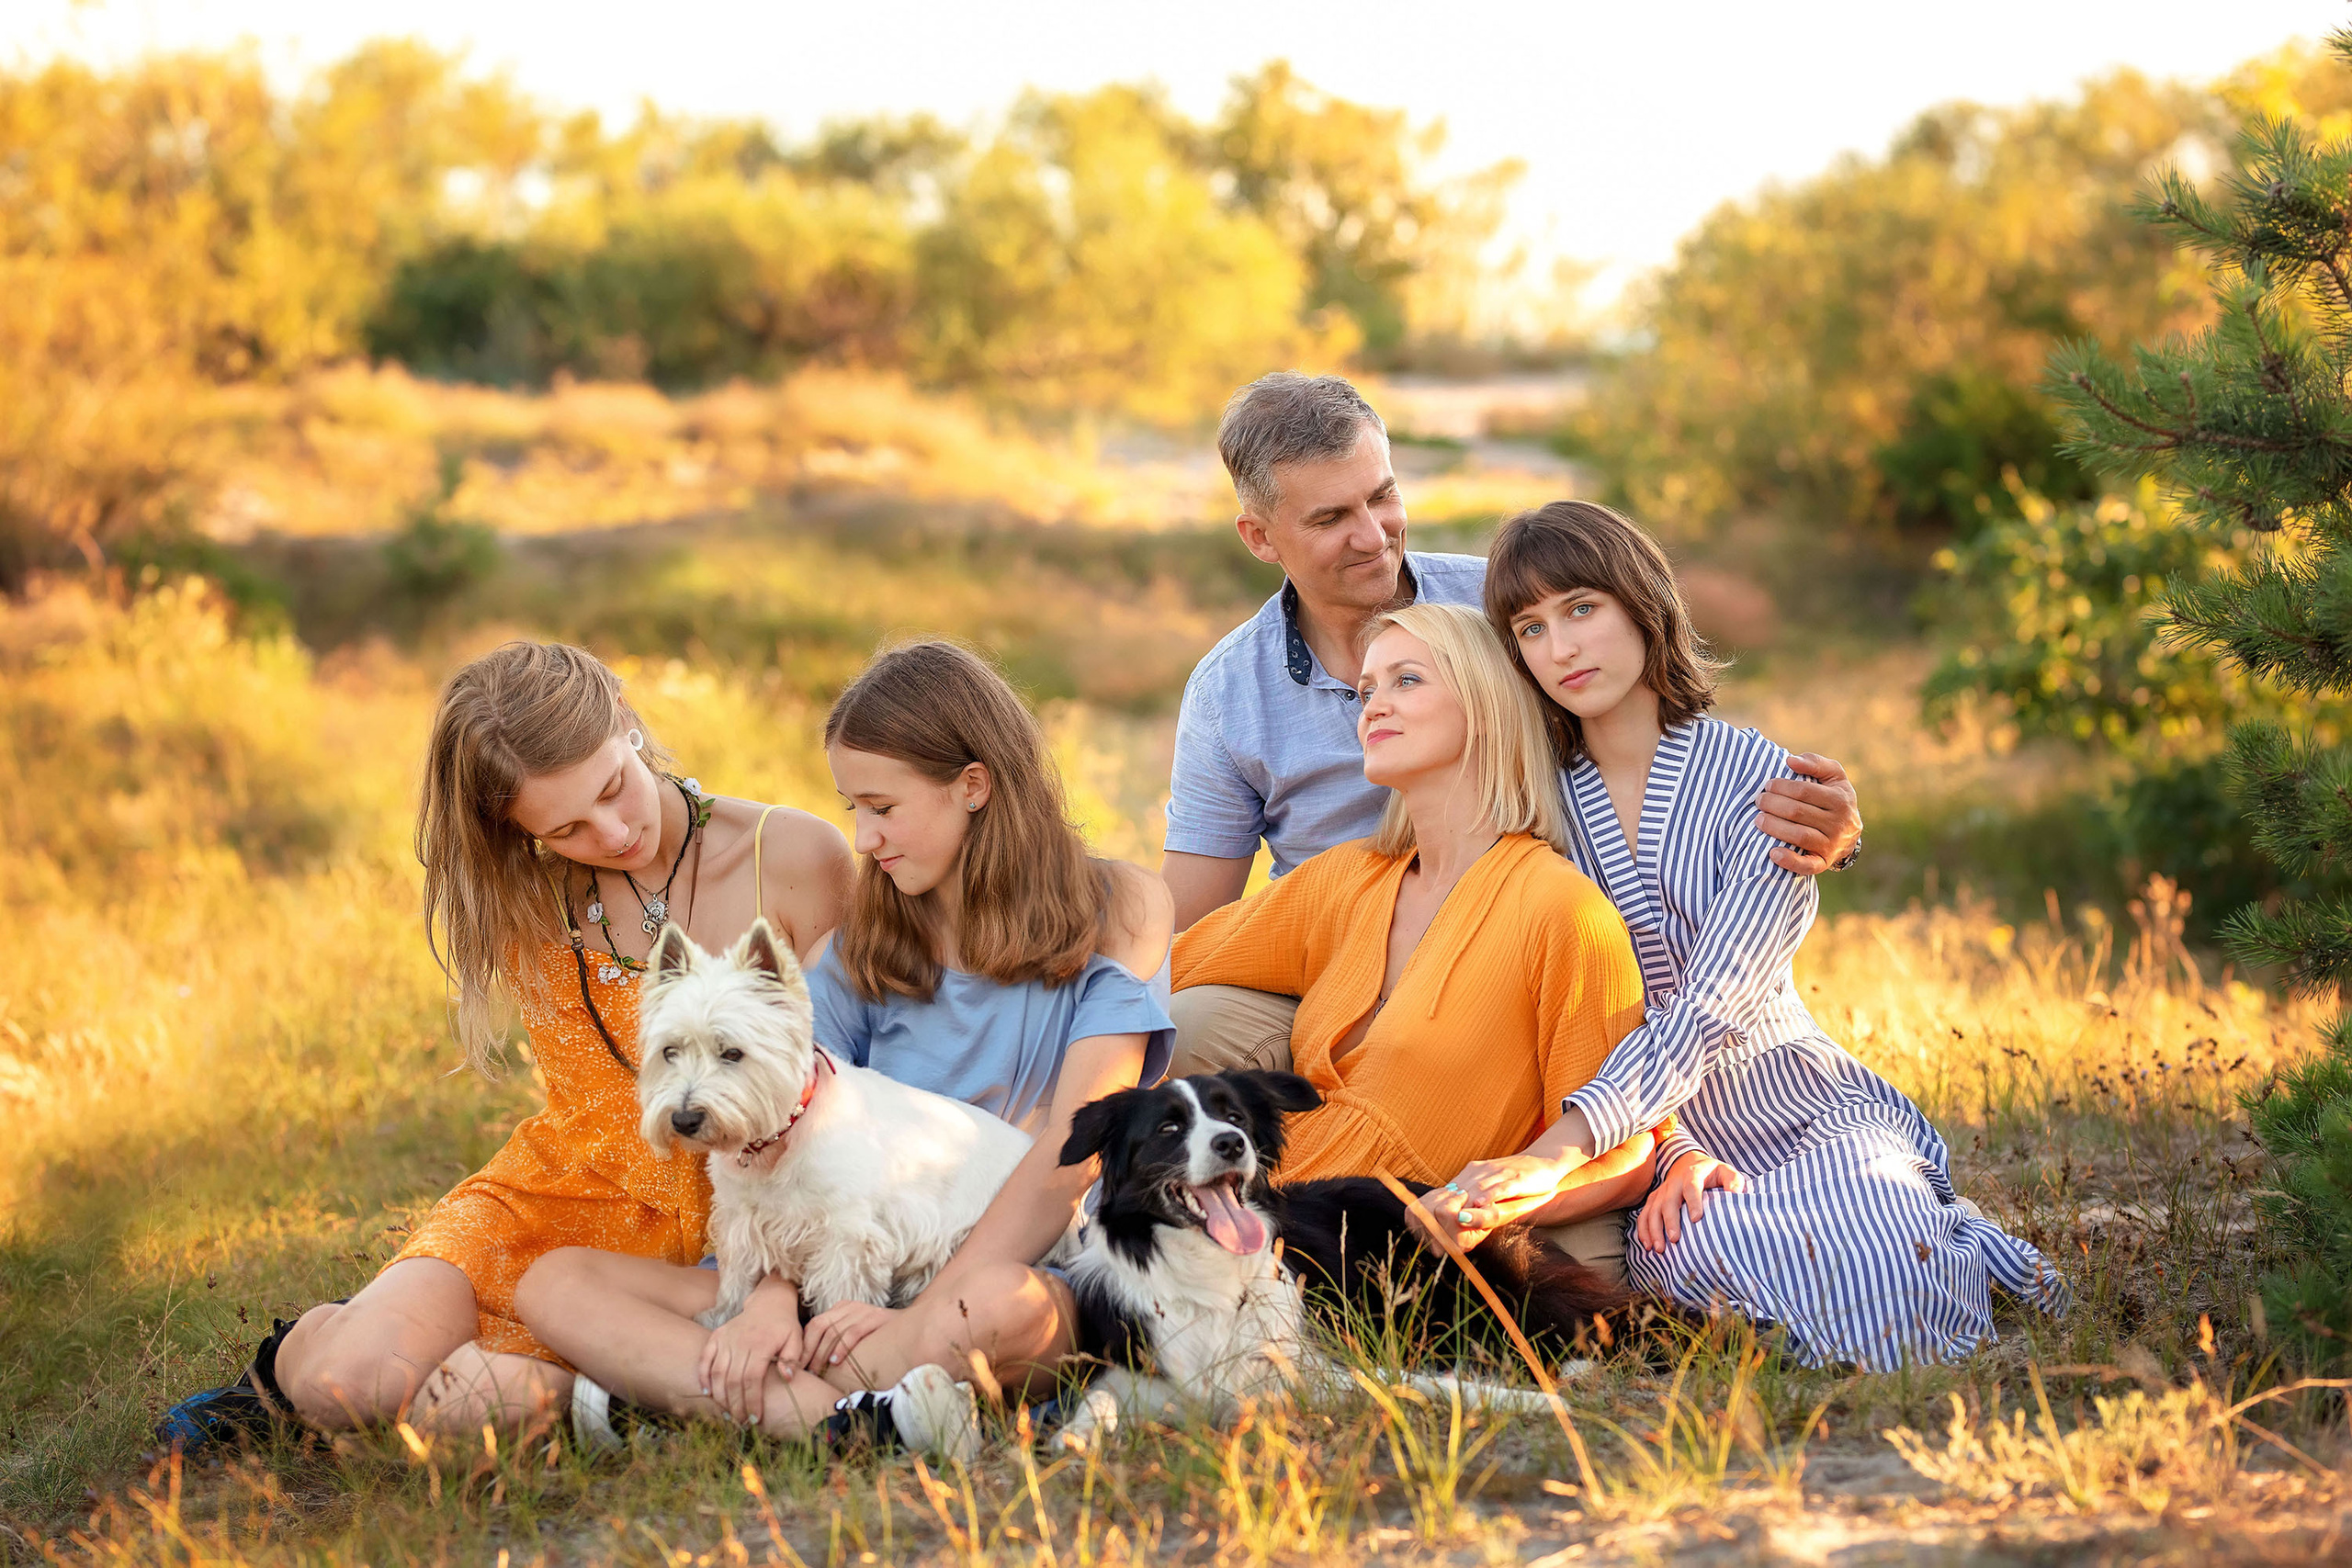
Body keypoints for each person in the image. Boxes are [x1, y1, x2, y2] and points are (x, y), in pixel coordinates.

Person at [157, 642, 852, 1450]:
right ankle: (293, 1370)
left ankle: (578, 1391)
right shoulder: (528, 895)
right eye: (566, 828)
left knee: (460, 1416)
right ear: (518, 831)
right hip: (555, 1197)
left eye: (613, 787)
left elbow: (849, 1092)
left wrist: (779, 1280)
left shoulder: (795, 857)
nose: (616, 830)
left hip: (725, 1232)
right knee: (347, 1381)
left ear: (625, 719)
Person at [514, 641, 1173, 1453]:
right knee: (556, 1282)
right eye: (850, 807)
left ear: (974, 785)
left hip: (1000, 1256)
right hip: (830, 1258)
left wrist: (925, 1312)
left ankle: (685, 1397)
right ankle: (844, 1418)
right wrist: (771, 1304)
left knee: (1004, 1312)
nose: (860, 838)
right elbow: (783, 1125)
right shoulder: (866, 941)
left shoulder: (1119, 906)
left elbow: (1073, 1154)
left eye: (881, 808)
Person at [1484, 500, 2068, 1368]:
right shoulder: (1538, 806)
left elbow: (1716, 1003)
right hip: (1659, 1142)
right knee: (1712, 1252)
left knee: (1882, 1242)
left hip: (1800, 1105)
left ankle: (1940, 1247)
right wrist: (1663, 1148)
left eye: (1581, 608)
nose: (1560, 648)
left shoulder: (1763, 781)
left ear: (1641, 603)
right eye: (1530, 628)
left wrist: (1561, 1145)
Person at [1160, 371, 1864, 939]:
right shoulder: (1229, 690)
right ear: (1258, 537)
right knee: (1186, 1020)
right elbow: (1192, 917)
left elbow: (1672, 751)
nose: (1373, 537)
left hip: (1513, 935)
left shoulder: (1505, 604)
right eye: (1331, 518)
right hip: (1329, 953)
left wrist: (1826, 826)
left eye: (1382, 497)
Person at [1172, 602, 1667, 1255]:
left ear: (1486, 706)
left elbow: (1624, 1151)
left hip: (1387, 1251)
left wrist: (1492, 1205)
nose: (1373, 705)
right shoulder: (1351, 877)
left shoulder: (1562, 912)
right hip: (1252, 1211)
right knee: (1168, 1016)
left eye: (1407, 680)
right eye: (1367, 689)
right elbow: (1171, 961)